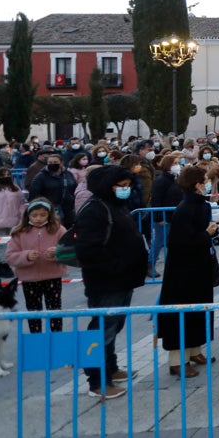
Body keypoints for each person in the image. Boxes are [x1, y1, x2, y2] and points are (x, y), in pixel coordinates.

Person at [75, 166, 149, 399]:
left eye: (128, 186)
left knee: (114, 326)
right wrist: (116, 267)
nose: (126, 190)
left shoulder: (115, 206)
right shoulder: (95, 210)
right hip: (107, 281)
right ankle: (97, 381)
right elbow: (89, 251)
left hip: (122, 279)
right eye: (121, 186)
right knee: (101, 329)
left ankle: (112, 368)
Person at [158, 167, 219, 378]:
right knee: (183, 315)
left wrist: (211, 231)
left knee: (198, 311)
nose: (207, 183)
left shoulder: (200, 205)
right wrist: (206, 233)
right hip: (183, 272)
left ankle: (195, 350)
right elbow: (180, 243)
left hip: (199, 267)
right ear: (196, 184)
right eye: (204, 180)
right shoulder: (185, 208)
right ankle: (178, 360)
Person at [5, 199, 67, 333]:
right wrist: (26, 256)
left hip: (53, 277)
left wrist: (57, 253)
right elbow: (10, 256)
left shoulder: (59, 230)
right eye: (34, 215)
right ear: (28, 215)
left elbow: (70, 252)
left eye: (42, 215)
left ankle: (57, 338)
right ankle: (36, 339)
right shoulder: (19, 232)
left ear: (49, 215)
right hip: (29, 280)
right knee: (33, 312)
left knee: (55, 311)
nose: (38, 218)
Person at [150, 154, 185, 270]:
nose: (177, 166)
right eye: (174, 163)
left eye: (178, 163)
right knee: (159, 242)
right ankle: (150, 264)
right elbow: (156, 200)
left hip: (174, 216)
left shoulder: (176, 179)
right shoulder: (161, 180)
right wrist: (159, 218)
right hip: (164, 216)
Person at [28, 154, 77, 229]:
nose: (52, 164)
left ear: (61, 163)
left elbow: (74, 187)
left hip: (68, 209)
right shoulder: (40, 177)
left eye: (55, 162)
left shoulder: (68, 174)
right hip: (50, 209)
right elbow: (34, 194)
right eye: (50, 163)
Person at [0, 167, 25, 279]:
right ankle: (3, 266)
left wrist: (22, 215)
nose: (6, 176)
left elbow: (21, 203)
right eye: (3, 174)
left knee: (11, 244)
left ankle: (4, 262)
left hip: (14, 221)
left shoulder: (15, 188)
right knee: (0, 245)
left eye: (8, 174)